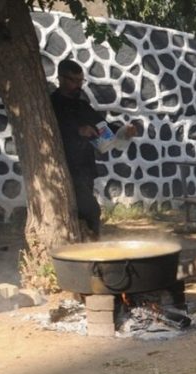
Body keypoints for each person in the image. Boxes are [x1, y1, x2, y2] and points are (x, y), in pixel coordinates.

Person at [50, 59, 138, 241]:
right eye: (74, 81)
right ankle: (90, 251)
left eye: (81, 81)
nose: (78, 86)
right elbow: (49, 131)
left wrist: (124, 131)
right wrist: (78, 131)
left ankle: (83, 249)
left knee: (82, 214)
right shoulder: (50, 104)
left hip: (84, 168)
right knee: (91, 211)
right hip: (64, 168)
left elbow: (102, 126)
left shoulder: (82, 105)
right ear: (61, 79)